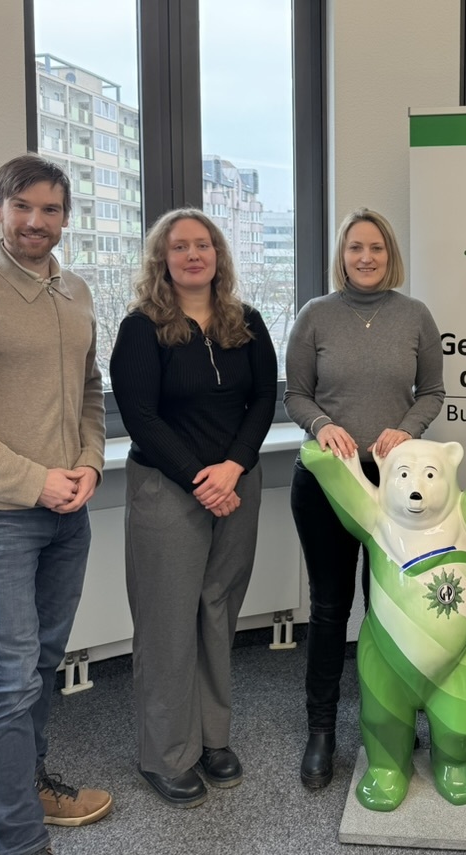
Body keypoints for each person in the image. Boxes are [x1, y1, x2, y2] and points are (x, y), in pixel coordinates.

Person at [109, 208, 277, 809]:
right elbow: (140, 416)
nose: (192, 255)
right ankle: (166, 755)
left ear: (218, 255)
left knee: (217, 610)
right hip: (167, 489)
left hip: (237, 485)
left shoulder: (247, 321)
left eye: (202, 244)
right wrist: (200, 480)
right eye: (179, 246)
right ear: (163, 259)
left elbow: (264, 400)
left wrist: (233, 468)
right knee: (167, 624)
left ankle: (211, 737)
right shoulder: (141, 328)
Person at [0, 154, 110, 855]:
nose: (37, 222)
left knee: (40, 667)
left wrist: (88, 464)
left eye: (51, 210)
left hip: (68, 515)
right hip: (0, 520)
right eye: (23, 207)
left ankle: (27, 783)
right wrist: (36, 481)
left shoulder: (76, 290)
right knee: (6, 682)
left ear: (65, 217)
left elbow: (91, 391)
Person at [284, 207, 445, 789]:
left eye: (376, 247)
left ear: (389, 254)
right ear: (342, 255)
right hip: (329, 484)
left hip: (395, 490)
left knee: (390, 610)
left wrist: (406, 429)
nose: (366, 257)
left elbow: (432, 392)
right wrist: (322, 424)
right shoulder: (315, 315)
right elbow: (295, 394)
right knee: (330, 608)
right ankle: (322, 730)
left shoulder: (415, 315)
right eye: (356, 247)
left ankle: (392, 719)